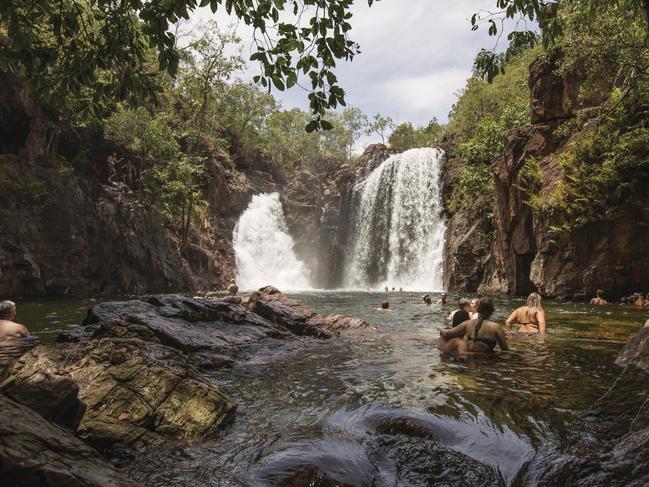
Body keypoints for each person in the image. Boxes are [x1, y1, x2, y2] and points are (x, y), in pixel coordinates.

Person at [437, 297, 508, 353]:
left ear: (478, 309)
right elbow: (505, 350)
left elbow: (447, 334)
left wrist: (440, 329)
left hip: (468, 360)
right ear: (492, 311)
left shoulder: (468, 323)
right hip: (486, 361)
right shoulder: (496, 327)